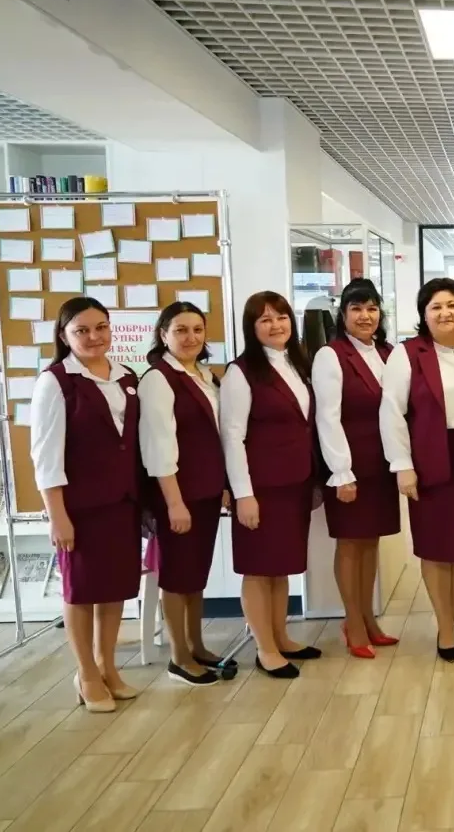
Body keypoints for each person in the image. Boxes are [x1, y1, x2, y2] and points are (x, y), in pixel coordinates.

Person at [31, 297, 143, 712]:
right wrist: (57, 516)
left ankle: (107, 666)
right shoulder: (56, 382)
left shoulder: (126, 376)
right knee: (81, 591)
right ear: (64, 336)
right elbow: (45, 456)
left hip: (122, 502)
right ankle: (86, 673)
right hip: (80, 507)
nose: (94, 337)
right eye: (82, 330)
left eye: (101, 327)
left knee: (114, 589)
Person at [382, 277, 454, 662]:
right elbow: (391, 412)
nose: (445, 313)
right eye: (436, 307)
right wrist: (402, 465)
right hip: (429, 459)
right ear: (424, 314)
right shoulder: (407, 353)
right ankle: (444, 626)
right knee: (436, 546)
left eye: (452, 305)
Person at [221, 291, 321, 679]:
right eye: (265, 319)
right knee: (259, 568)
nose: (276, 325)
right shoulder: (241, 371)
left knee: (281, 567)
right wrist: (243, 494)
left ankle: (281, 637)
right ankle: (264, 648)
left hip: (294, 482)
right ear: (251, 327)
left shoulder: (296, 362)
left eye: (281, 317)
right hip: (261, 487)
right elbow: (232, 436)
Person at [138, 301, 227, 686]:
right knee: (176, 575)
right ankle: (178, 657)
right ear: (163, 335)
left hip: (205, 490)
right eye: (180, 330)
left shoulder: (204, 375)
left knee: (195, 573)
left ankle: (196, 644)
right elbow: (158, 445)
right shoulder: (159, 379)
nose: (191, 337)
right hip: (177, 493)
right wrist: (174, 502)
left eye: (197, 329)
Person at [314, 278, 401, 658]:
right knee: (350, 543)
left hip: (381, 464)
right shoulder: (331, 355)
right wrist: (341, 471)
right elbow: (327, 417)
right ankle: (352, 622)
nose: (365, 316)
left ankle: (367, 618)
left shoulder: (386, 352)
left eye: (371, 308)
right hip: (349, 465)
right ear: (343, 314)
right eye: (356, 309)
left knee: (370, 542)